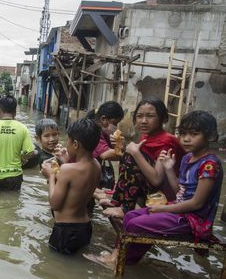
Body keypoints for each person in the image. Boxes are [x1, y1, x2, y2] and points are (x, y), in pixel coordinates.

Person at [94, 111, 223, 267]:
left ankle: (121, 260)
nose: (186, 139)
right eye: (183, 134)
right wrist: (169, 169)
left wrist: (163, 210)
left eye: (194, 134)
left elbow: (196, 203)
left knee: (136, 224)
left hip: (193, 220)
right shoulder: (188, 158)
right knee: (130, 216)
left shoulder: (209, 165)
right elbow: (179, 193)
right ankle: (123, 257)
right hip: (179, 211)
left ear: (210, 136)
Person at [101, 96, 185, 218]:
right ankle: (117, 200)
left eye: (150, 116)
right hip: (151, 189)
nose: (144, 121)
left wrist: (135, 152)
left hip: (168, 194)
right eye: (140, 116)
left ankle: (126, 208)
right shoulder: (146, 136)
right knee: (127, 156)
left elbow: (156, 180)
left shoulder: (167, 141)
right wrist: (122, 147)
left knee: (131, 156)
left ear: (163, 118)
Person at [40, 118, 101, 254]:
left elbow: (55, 204)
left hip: (66, 230)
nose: (65, 144)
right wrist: (66, 162)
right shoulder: (96, 165)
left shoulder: (68, 170)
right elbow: (78, 188)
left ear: (75, 144)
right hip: (85, 227)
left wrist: (50, 176)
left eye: (68, 140)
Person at [0, 95, 34, 190]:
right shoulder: (23, 128)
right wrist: (22, 158)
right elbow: (30, 152)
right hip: (14, 176)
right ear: (15, 112)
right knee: (13, 203)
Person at [87, 101, 124, 193]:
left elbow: (112, 148)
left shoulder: (104, 132)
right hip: (84, 173)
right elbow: (105, 155)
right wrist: (124, 148)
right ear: (104, 119)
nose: (116, 127)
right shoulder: (93, 131)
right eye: (115, 123)